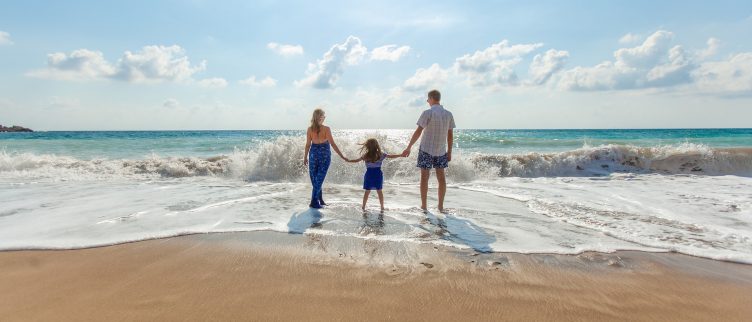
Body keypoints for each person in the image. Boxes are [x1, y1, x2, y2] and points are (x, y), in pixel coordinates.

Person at [401, 89, 456, 213]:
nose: (427, 101)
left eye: (428, 99)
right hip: (441, 151)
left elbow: (418, 131)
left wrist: (409, 147)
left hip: (426, 149)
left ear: (431, 99)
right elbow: (450, 135)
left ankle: (424, 206)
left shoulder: (427, 113)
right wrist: (450, 152)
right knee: (441, 178)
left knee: (424, 178)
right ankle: (440, 207)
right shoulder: (448, 114)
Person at [303, 108, 347, 208]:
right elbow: (332, 144)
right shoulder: (326, 129)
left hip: (313, 154)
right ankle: (314, 201)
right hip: (324, 155)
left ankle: (320, 199)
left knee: (316, 179)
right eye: (323, 115)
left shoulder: (310, 129)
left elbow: (307, 145)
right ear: (320, 117)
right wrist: (342, 155)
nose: (325, 117)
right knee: (318, 178)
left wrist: (305, 157)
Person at [346, 138, 403, 212]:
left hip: (369, 174)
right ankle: (382, 207)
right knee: (379, 191)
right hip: (378, 174)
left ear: (367, 146)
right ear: (377, 146)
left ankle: (363, 207)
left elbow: (356, 160)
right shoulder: (380, 154)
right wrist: (401, 155)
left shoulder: (366, 155)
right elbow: (391, 156)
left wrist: (348, 160)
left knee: (367, 191)